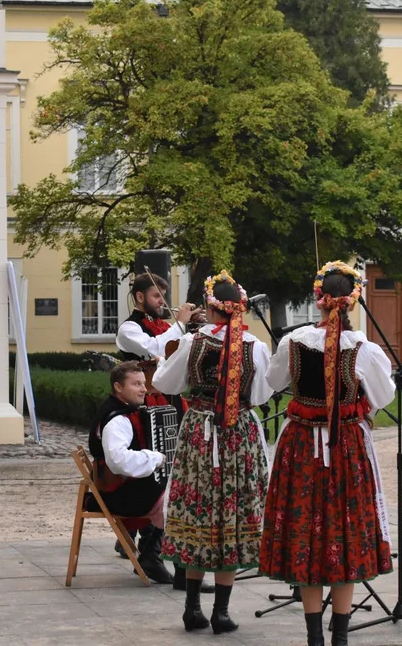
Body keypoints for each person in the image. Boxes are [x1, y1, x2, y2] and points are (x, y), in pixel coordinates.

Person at [258, 261, 396, 646]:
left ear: (318, 300)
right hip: (346, 446)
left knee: (306, 532)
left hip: (301, 443)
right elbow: (384, 396)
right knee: (344, 531)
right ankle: (340, 637)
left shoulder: (293, 342)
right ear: (352, 302)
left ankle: (314, 636)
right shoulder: (363, 349)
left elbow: (273, 381)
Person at [153, 270, 274, 634]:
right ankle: (221, 612)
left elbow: (164, 382)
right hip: (240, 435)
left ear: (209, 305)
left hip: (200, 434)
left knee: (198, 516)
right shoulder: (255, 347)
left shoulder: (193, 343)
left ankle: (192, 608)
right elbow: (264, 394)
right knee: (232, 521)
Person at [115, 272, 214, 593]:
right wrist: (181, 324)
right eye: (157, 297)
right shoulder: (129, 329)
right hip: (143, 411)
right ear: (140, 297)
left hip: (171, 403)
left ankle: (155, 550)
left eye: (163, 296)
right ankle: (149, 552)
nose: (162, 302)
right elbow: (154, 348)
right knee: (154, 474)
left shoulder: (169, 326)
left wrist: (200, 327)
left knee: (175, 472)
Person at [88, 361, 175, 584]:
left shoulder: (123, 411)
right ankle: (160, 561)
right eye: (136, 384)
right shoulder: (116, 419)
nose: (144, 389)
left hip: (125, 488)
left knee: (174, 488)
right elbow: (118, 461)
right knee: (179, 500)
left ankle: (150, 555)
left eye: (143, 383)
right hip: (117, 494)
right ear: (118, 387)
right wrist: (155, 458)